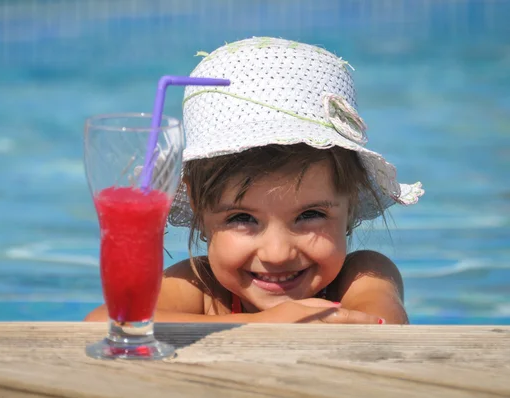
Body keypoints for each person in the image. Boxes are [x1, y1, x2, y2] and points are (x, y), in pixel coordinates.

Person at [85, 37, 424, 324]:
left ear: (349, 205)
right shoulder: (200, 288)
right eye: (242, 218)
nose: (277, 254)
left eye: (310, 215)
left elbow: (384, 329)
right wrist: (267, 323)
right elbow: (105, 323)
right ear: (201, 211)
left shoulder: (362, 275)